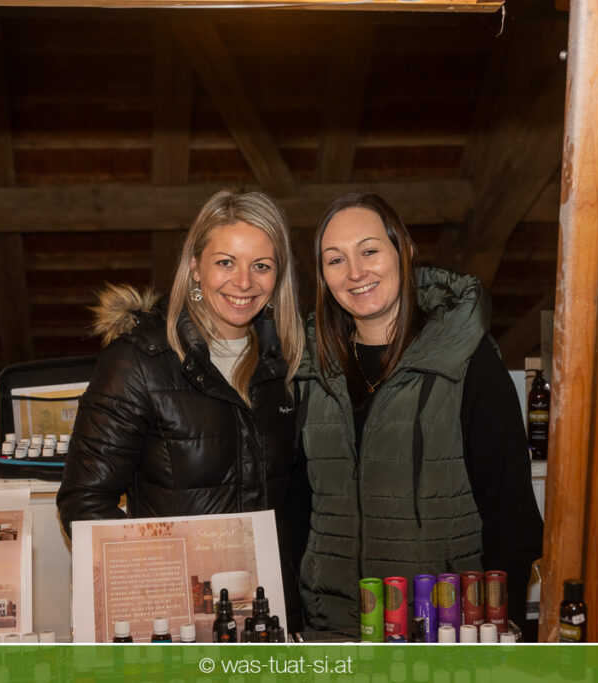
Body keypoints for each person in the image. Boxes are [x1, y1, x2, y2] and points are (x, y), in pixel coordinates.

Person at [296, 193, 543, 637]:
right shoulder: (308, 369)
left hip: (441, 633)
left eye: (369, 251)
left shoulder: (467, 362)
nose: (355, 272)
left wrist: (499, 634)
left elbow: (512, 516)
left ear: (404, 250)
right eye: (335, 260)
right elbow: (297, 508)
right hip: (331, 631)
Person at [56, 188, 306, 628]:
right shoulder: (137, 362)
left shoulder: (291, 362)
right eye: (225, 262)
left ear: (278, 276)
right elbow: (84, 501)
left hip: (270, 615)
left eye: (261, 266)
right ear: (195, 267)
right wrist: (164, 587)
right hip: (176, 621)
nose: (244, 282)